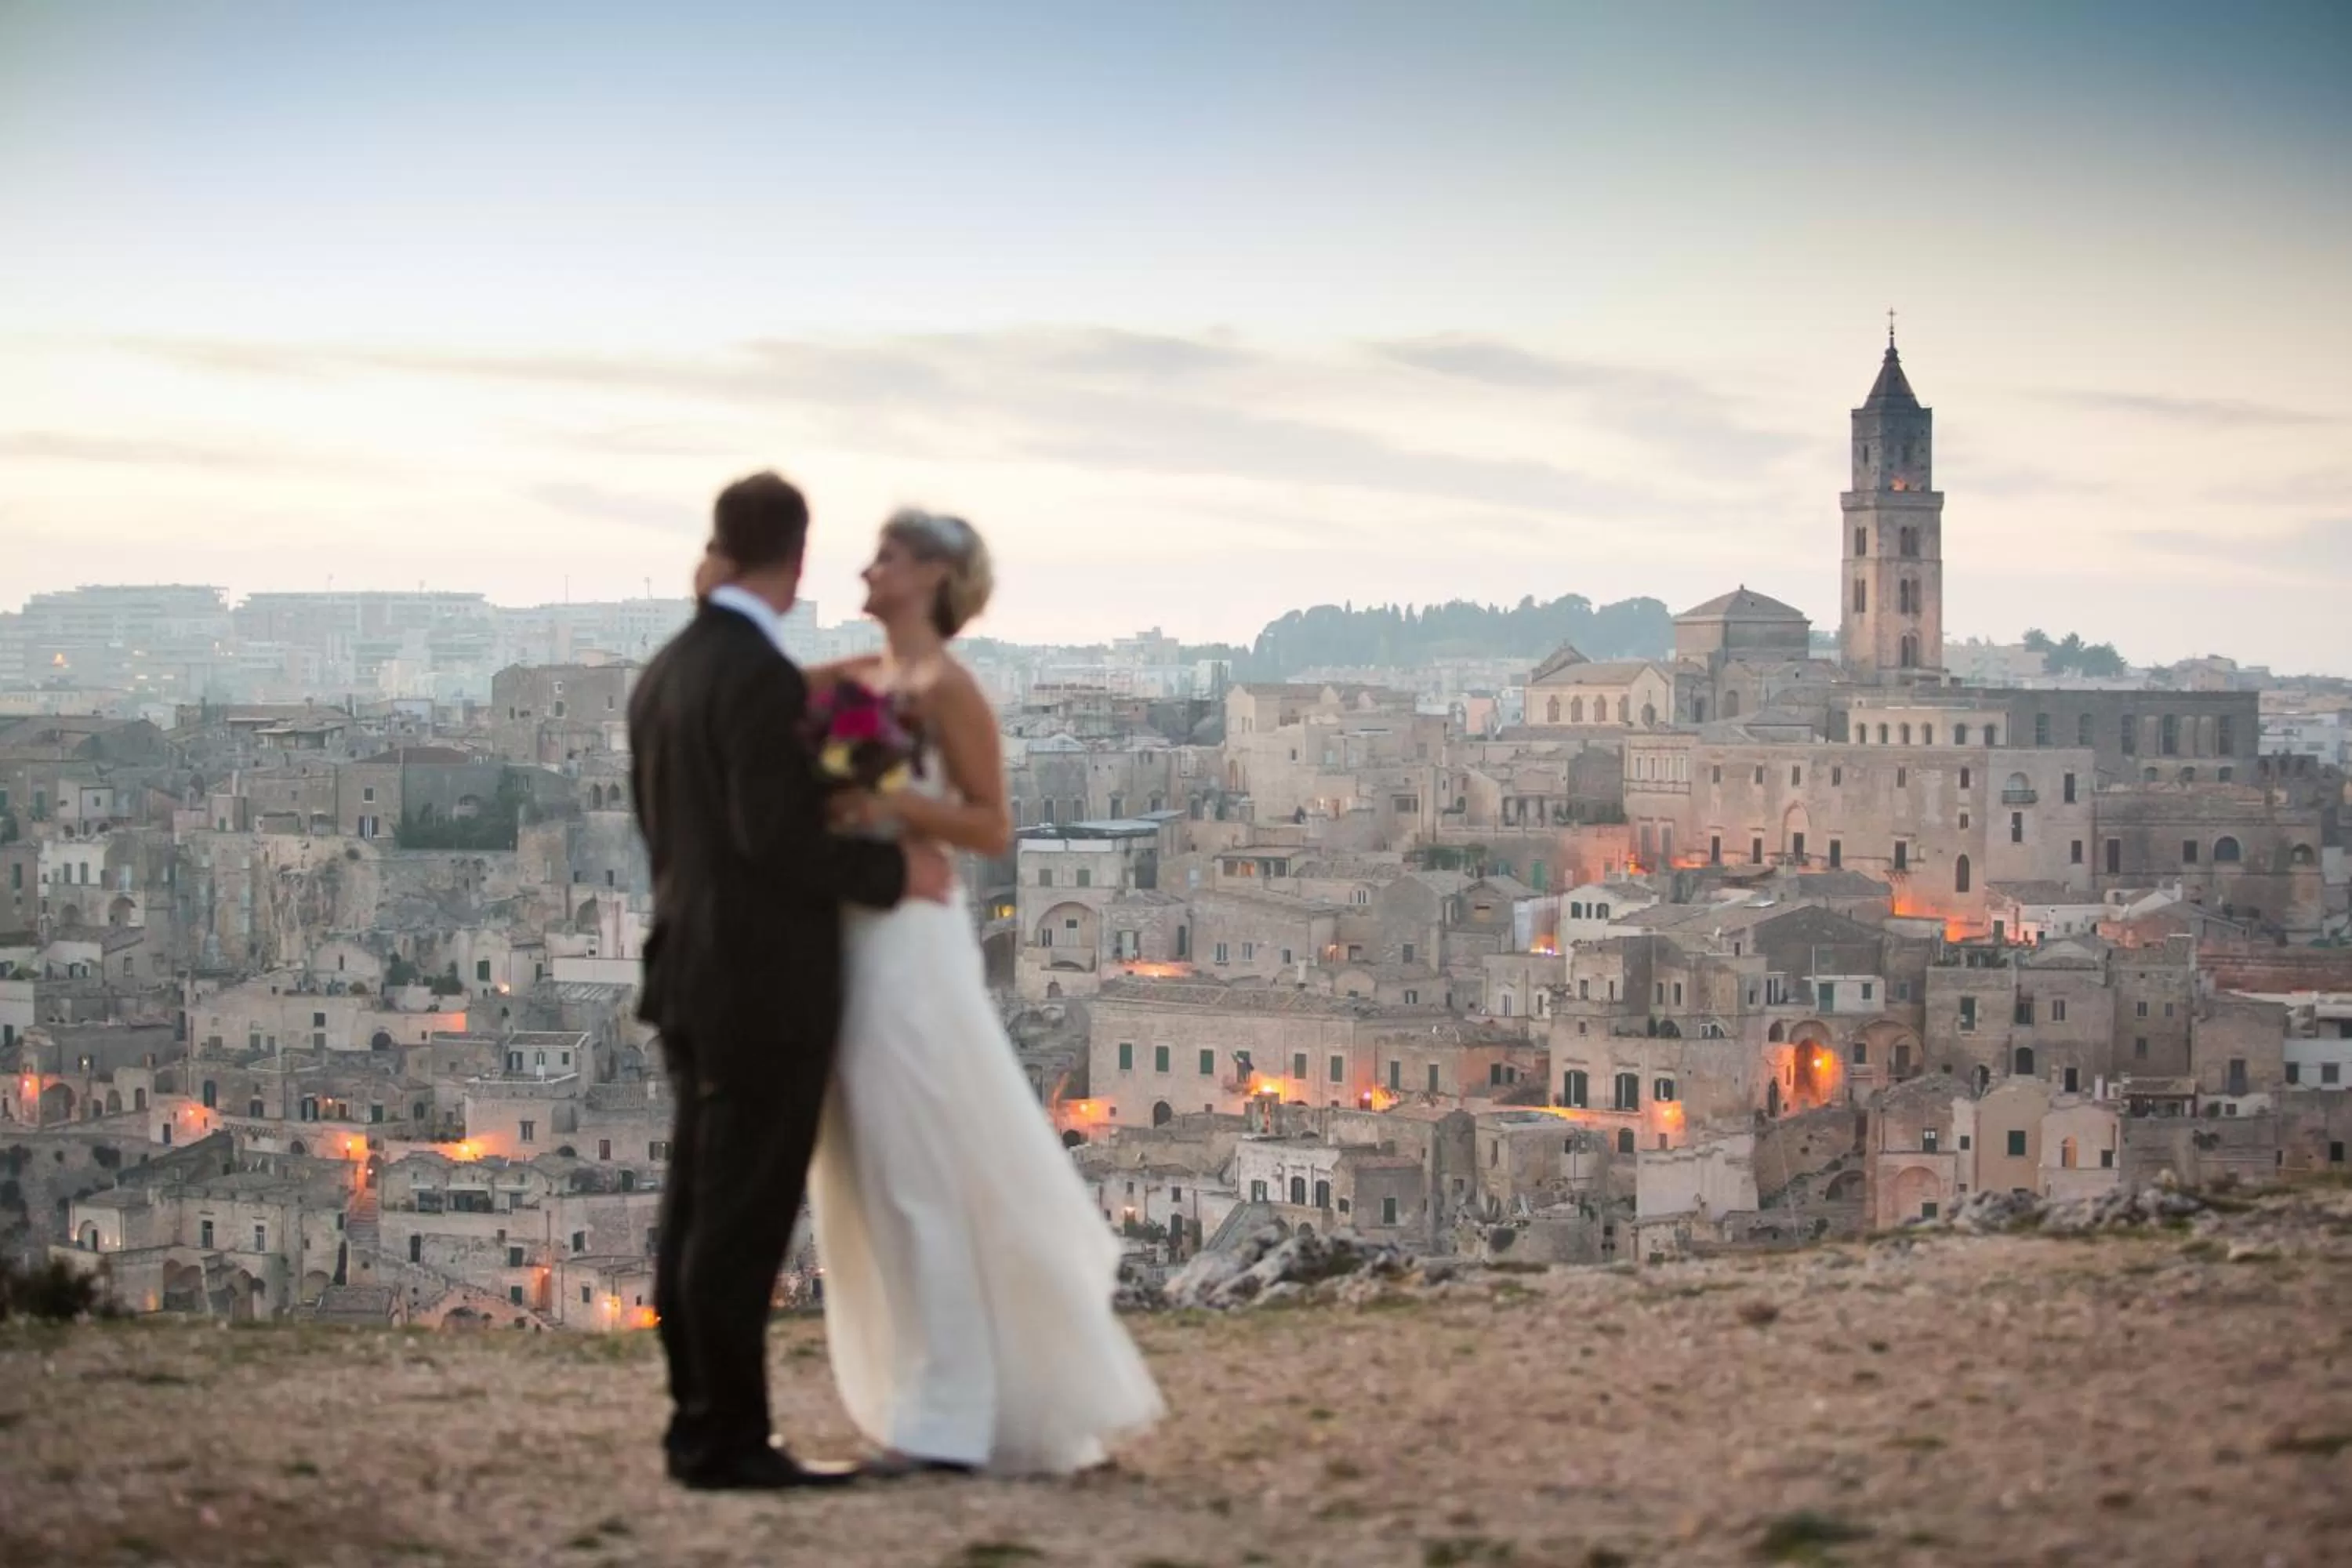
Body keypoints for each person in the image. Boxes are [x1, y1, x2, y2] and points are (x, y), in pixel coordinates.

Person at [807, 508, 1165, 1477]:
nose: (866, 568)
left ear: (930, 575)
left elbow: (994, 825)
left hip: (911, 942)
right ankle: (938, 1405)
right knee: (884, 1167)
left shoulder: (951, 688)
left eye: (885, 555)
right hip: (855, 928)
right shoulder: (858, 680)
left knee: (921, 1163)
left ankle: (946, 1419)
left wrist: (886, 802)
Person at [628, 473, 955, 1490]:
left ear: (722, 544)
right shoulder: (758, 680)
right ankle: (728, 1440)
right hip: (757, 989)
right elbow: (774, 840)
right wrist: (892, 869)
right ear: (798, 560)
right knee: (741, 1220)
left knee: (695, 1209)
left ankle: (698, 1423)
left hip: (687, 971)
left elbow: (678, 834)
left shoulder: (667, 672)